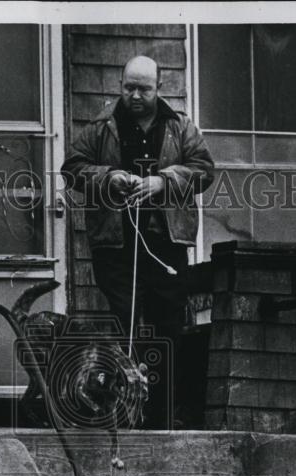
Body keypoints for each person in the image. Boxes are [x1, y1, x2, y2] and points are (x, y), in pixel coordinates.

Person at [61, 55, 214, 428]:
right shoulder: (101, 126)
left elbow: (205, 170)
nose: (135, 95)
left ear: (159, 88)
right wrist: (108, 177)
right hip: (116, 246)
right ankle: (122, 417)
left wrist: (164, 181)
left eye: (143, 88)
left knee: (167, 330)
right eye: (129, 87)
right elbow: (73, 168)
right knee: (124, 329)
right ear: (120, 86)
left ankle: (162, 419)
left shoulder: (181, 127)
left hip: (166, 247)